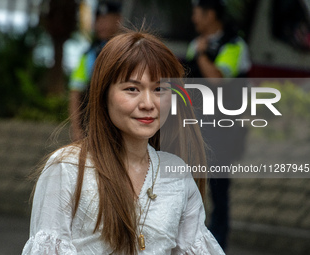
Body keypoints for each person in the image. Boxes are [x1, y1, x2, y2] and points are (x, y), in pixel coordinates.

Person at [22, 29, 225, 254]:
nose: (148, 103)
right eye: (132, 89)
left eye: (159, 89)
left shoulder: (177, 175)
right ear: (103, 93)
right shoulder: (68, 168)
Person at [185, 0, 251, 250]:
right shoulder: (196, 43)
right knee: (190, 184)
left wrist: (201, 54)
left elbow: (217, 79)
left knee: (218, 188)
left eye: (197, 12)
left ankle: (218, 243)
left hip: (224, 129)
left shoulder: (234, 44)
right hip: (197, 125)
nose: (193, 19)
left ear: (210, 14)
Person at [69, 1, 122, 141]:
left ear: (119, 20)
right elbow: (75, 93)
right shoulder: (88, 55)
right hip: (94, 129)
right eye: (98, 20)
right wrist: (77, 130)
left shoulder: (130, 53)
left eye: (105, 19)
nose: (100, 25)